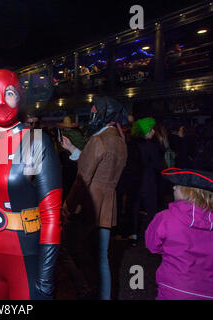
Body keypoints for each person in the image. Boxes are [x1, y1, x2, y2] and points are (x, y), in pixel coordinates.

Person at [0, 69, 62, 300]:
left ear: (20, 98)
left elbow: (52, 215)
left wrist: (45, 276)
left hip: (23, 256)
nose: (0, 101)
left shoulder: (36, 142)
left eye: (10, 92)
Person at [60, 95, 128, 300]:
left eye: (94, 112)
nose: (91, 115)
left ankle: (84, 287)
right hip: (108, 205)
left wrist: (68, 206)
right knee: (102, 258)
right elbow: (100, 166)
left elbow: (83, 178)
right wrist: (73, 149)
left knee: (64, 247)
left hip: (90, 206)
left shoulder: (98, 140)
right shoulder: (119, 141)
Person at [145, 168, 213, 300]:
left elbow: (152, 245)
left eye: (178, 185)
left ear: (190, 193)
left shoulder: (166, 217)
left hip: (173, 289)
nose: (174, 187)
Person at [129, 117, 163, 244]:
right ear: (145, 131)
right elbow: (157, 165)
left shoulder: (131, 145)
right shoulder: (151, 146)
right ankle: (151, 238)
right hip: (148, 181)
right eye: (151, 129)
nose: (153, 132)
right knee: (151, 210)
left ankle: (133, 236)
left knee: (134, 209)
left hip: (134, 182)